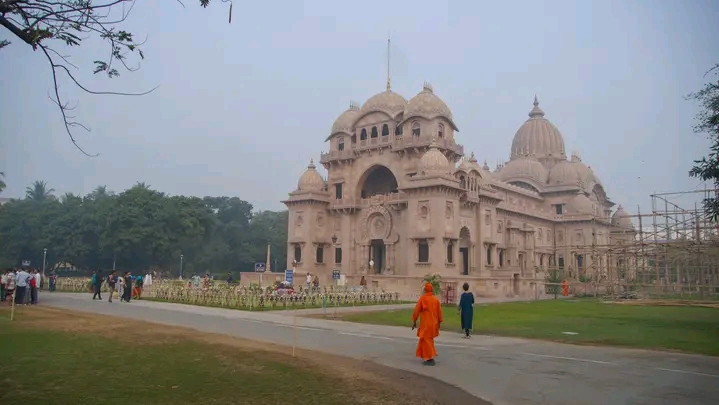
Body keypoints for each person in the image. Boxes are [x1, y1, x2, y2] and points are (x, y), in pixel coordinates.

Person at [411, 282, 443, 366]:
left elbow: (416, 311)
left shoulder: (422, 299)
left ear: (425, 290)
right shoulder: (435, 300)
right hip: (433, 324)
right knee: (426, 340)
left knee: (426, 340)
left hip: (426, 324)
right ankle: (424, 355)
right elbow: (440, 313)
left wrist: (414, 321)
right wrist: (439, 322)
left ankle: (430, 358)